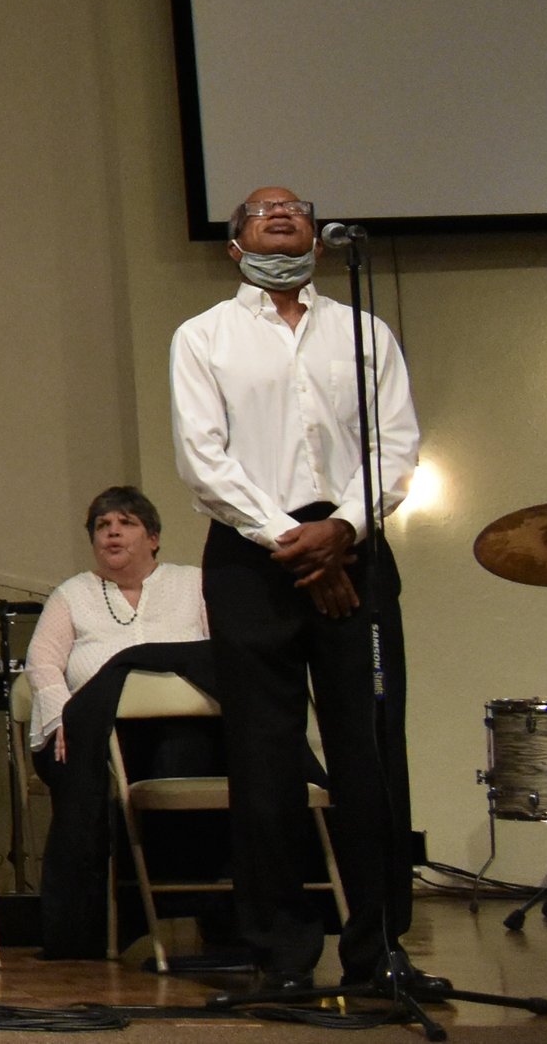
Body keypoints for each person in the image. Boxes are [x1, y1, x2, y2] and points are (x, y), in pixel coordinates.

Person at [171, 186, 428, 996]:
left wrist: (342, 533)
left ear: (318, 238)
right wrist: (295, 543)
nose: (281, 212)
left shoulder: (365, 331)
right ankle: (280, 955)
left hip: (355, 552)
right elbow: (204, 461)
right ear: (233, 242)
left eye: (296, 207)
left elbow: (396, 446)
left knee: (371, 754)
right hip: (254, 561)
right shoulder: (202, 336)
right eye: (261, 208)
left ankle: (379, 949)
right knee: (266, 760)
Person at [26, 488, 209, 788]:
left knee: (181, 751)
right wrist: (65, 718)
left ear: (154, 539)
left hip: (189, 724)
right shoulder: (71, 594)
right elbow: (41, 664)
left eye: (126, 522)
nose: (113, 532)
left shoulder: (193, 583)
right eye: (102, 525)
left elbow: (222, 653)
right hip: (101, 731)